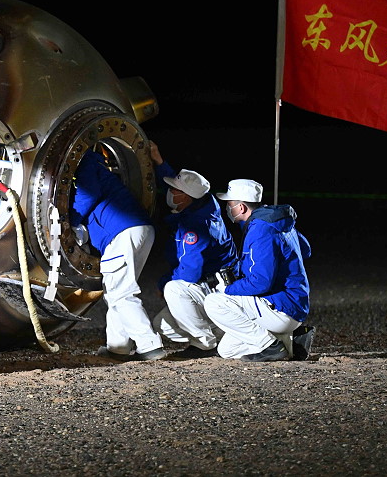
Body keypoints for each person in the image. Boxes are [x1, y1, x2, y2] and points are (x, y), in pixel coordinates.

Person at [71, 149, 171, 361]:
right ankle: (118, 347)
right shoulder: (98, 165)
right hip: (138, 229)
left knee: (121, 292)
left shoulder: (86, 161)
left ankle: (149, 344)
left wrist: (70, 221)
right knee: (115, 291)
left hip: (122, 233)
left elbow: (87, 195)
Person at [202, 179, 315, 362]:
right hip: (292, 306)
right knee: (227, 350)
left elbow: (261, 282)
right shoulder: (276, 221)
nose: (227, 208)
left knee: (214, 301)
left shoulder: (261, 229)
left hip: (282, 307)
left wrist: (228, 289)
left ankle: (269, 346)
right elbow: (306, 250)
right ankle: (290, 343)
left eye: (230, 204)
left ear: (241, 207)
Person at [148, 141, 237, 358]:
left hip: (218, 290)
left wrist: (163, 282)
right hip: (212, 285)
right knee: (163, 325)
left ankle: (204, 344)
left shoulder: (196, 226)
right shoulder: (200, 203)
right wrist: (159, 161)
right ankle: (221, 333)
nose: (168, 192)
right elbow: (181, 184)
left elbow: (189, 272)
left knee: (174, 289)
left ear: (185, 197)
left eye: (173, 190)